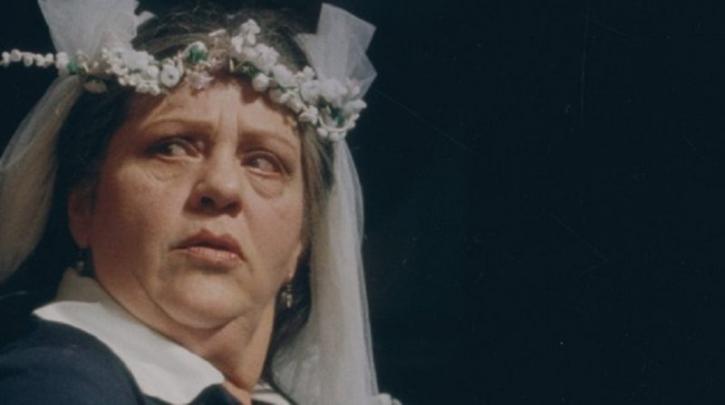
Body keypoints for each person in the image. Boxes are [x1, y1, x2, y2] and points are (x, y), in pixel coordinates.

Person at [0, 0, 398, 404]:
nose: (222, 187)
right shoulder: (55, 387)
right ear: (84, 204)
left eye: (263, 162)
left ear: (302, 240)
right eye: (172, 147)